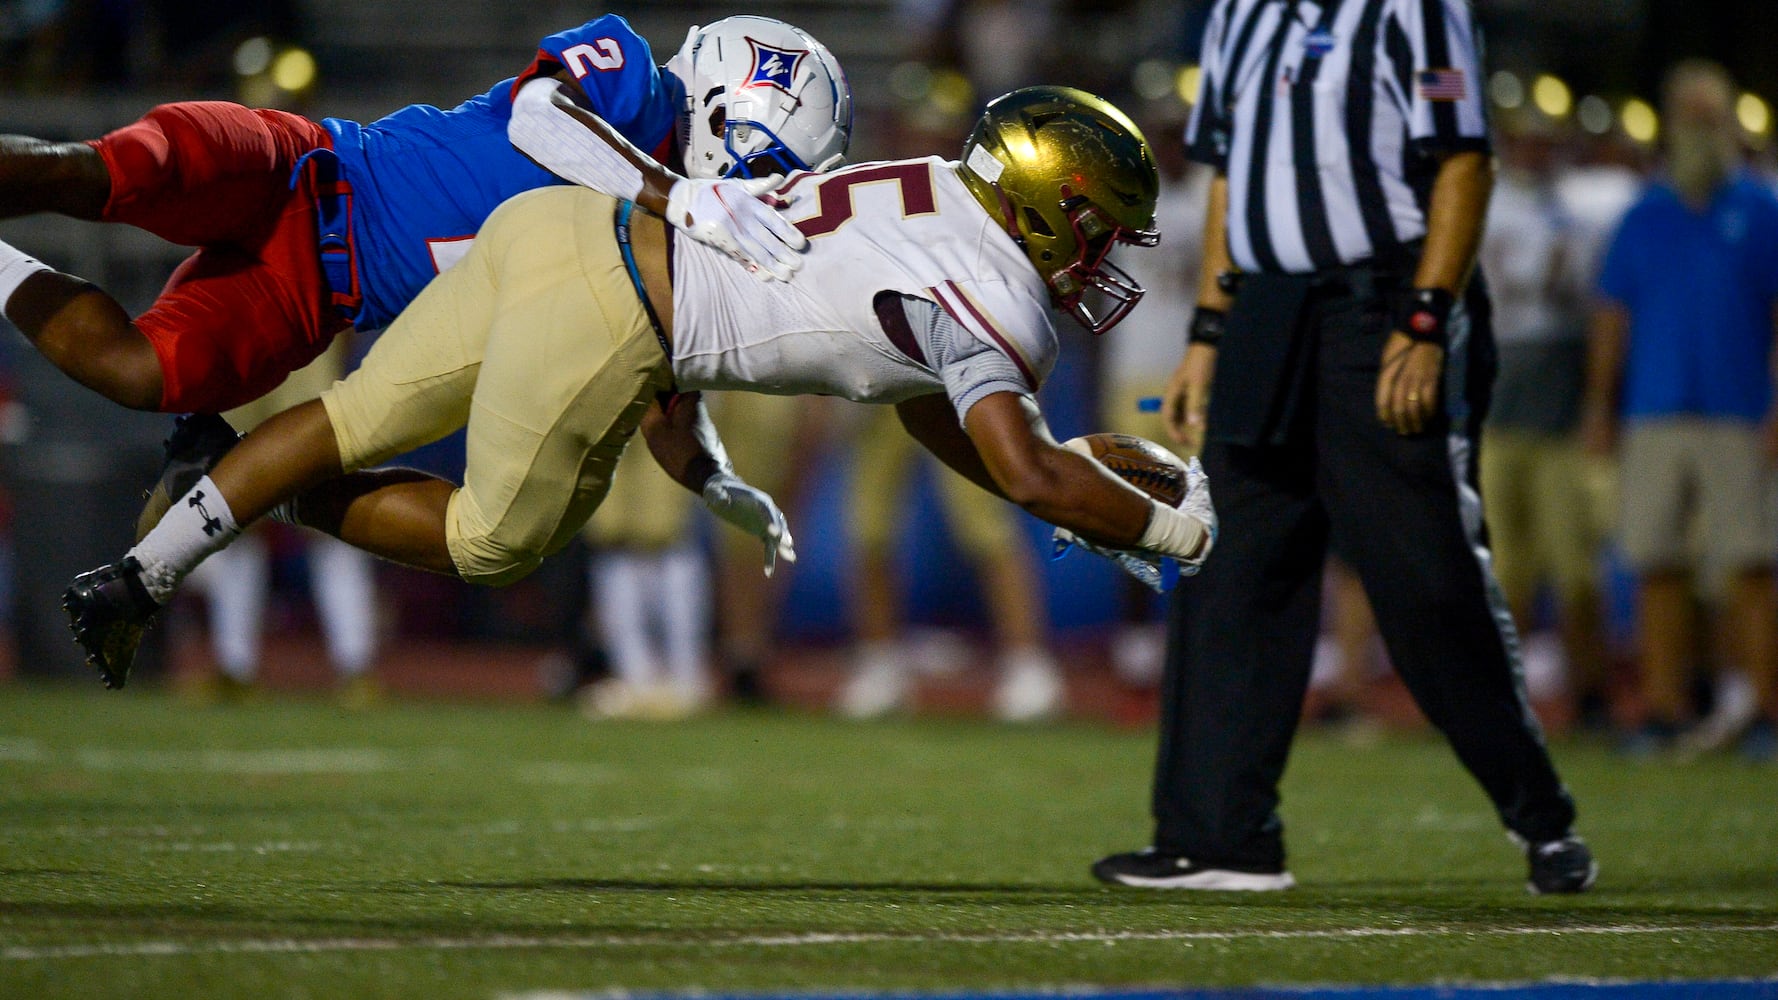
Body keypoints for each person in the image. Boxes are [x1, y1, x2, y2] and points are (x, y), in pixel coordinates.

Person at [61, 87, 1217, 700]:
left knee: (355, 419)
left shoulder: (924, 188)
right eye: (1094, 226)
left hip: (561, 224)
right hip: (619, 309)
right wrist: (1169, 529)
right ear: (1041, 203)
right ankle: (257, 498)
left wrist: (1080, 486)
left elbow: (935, 408)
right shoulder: (992, 293)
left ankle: (142, 571)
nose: (1100, 253)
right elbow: (1020, 464)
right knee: (489, 542)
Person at [1092, 0, 1594, 894]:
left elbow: (1465, 163)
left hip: (1382, 302)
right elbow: (1228, 179)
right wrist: (1209, 330)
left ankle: (1539, 813)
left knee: (1425, 577)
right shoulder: (1240, 18)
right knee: (1227, 563)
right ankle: (1221, 837)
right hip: (1266, 310)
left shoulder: (1414, 11)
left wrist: (1427, 316)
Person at [0, 12, 848, 438]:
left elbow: (665, 376)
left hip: (315, 294)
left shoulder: (672, 226)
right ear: (729, 105)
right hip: (305, 171)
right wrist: (675, 190)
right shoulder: (634, 82)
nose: (766, 191)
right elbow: (538, 114)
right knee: (102, 175)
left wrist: (710, 470)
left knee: (142, 374)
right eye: (770, 166)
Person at [1582, 60, 1778, 761]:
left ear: (1730, 124)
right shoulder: (1644, 214)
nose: (1700, 130)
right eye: (1689, 117)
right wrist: (1600, 407)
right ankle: (1664, 708)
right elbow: (1612, 319)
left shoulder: (1761, 209)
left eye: (1710, 116)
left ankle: (1763, 710)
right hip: (1654, 409)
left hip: (1737, 409)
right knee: (1654, 562)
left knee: (1751, 566)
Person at [1477, 115, 1612, 729]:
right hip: (1497, 407)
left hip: (1558, 412)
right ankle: (1500, 704)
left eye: (1545, 137)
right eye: (1527, 136)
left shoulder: (1589, 203)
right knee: (1505, 570)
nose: (1535, 148)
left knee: (1575, 570)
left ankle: (1591, 695)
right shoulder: (1481, 198)